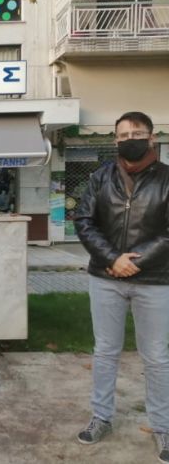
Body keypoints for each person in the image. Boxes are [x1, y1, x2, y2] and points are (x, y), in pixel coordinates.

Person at [74, 111, 169, 463]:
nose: (130, 139)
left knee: (156, 357)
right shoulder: (101, 177)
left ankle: (162, 426)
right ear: (115, 140)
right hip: (106, 278)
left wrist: (136, 262)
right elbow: (84, 220)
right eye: (123, 135)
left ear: (152, 137)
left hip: (156, 281)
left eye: (137, 133)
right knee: (105, 352)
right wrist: (113, 259)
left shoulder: (167, 179)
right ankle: (101, 417)